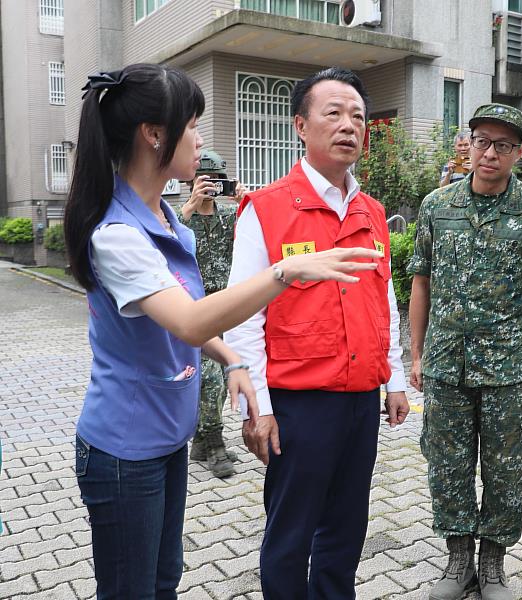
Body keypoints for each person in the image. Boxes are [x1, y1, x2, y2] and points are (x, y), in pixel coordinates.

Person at [63, 63, 382, 600]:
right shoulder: (116, 234)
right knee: (130, 590)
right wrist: (285, 272)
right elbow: (191, 318)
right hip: (124, 448)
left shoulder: (166, 219)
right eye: (193, 124)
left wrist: (231, 361)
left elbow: (183, 318)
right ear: (154, 134)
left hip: (167, 438)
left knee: (163, 581)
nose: (201, 139)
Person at [223, 66, 410, 599]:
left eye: (358, 116)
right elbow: (244, 316)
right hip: (297, 404)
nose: (349, 125)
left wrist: (393, 379)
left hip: (359, 400)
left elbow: (383, 301)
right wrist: (255, 409)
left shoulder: (372, 213)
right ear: (301, 126)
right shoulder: (267, 209)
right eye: (333, 113)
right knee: (291, 531)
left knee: (347, 528)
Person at [408, 103, 522, 600]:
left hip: (508, 369)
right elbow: (421, 283)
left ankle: (493, 562)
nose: (490, 152)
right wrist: (415, 355)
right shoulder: (437, 205)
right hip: (446, 366)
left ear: (519, 152)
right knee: (447, 463)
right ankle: (459, 561)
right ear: (468, 145)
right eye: (482, 141)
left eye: (502, 145)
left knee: (505, 468)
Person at [179, 150, 248, 478]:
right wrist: (190, 206)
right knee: (209, 379)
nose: (210, 186)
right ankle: (215, 444)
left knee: (221, 377)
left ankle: (201, 444)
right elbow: (166, 244)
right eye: (204, 180)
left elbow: (257, 235)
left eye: (216, 180)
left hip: (228, 308)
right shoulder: (182, 217)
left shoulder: (231, 216)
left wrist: (246, 201)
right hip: (196, 309)